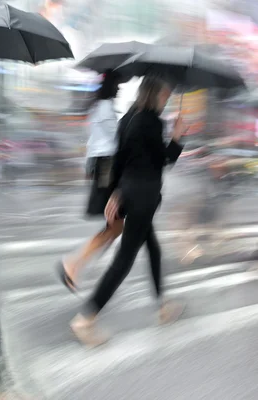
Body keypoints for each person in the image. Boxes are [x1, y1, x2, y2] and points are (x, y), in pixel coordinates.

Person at [70, 76, 189, 346]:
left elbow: (121, 159)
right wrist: (178, 137)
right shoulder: (151, 121)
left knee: (153, 248)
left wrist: (117, 192)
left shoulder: (128, 118)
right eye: (165, 95)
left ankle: (163, 306)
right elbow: (163, 161)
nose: (167, 99)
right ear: (155, 94)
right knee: (123, 261)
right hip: (144, 198)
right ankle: (86, 318)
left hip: (130, 195)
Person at [57, 69, 124, 291]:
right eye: (118, 84)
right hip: (106, 166)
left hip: (102, 165)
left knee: (115, 226)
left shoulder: (100, 107)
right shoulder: (105, 108)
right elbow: (117, 140)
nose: (120, 88)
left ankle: (78, 264)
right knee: (115, 225)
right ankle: (73, 264)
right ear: (111, 86)